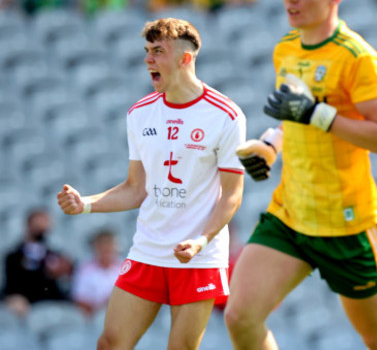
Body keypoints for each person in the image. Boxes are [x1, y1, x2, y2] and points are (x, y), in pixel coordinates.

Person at [224, 0, 377, 349]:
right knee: (240, 317)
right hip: (290, 214)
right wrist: (271, 145)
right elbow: (294, 118)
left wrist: (318, 113)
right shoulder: (285, 48)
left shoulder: (357, 57)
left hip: (346, 224)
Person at [56, 18, 246, 350]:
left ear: (185, 58)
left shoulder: (226, 115)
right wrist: (85, 204)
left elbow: (232, 195)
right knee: (110, 343)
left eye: (158, 51)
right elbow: (135, 188)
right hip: (148, 250)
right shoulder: (139, 114)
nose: (148, 60)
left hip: (197, 257)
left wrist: (201, 241)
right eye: (147, 51)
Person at [2, 208, 73, 318]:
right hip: (25, 301)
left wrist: (65, 272)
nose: (42, 228)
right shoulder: (13, 256)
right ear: (29, 225)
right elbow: (12, 285)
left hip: (50, 300)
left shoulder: (55, 255)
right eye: (38, 223)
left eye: (45, 223)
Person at [71, 228, 122, 316]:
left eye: (109, 245)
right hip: (93, 318)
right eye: (103, 245)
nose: (107, 249)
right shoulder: (85, 269)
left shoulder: (125, 268)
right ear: (96, 248)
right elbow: (80, 300)